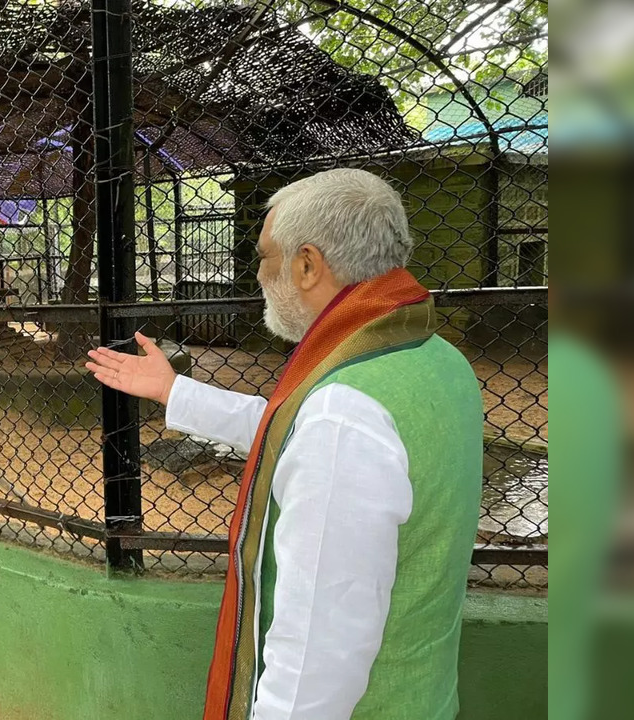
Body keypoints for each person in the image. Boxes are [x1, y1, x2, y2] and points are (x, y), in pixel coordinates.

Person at [86, 168, 483, 720]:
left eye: (265, 256)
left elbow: (318, 659)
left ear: (307, 265)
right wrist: (174, 391)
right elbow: (296, 429)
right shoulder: (433, 358)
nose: (258, 272)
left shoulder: (343, 414)